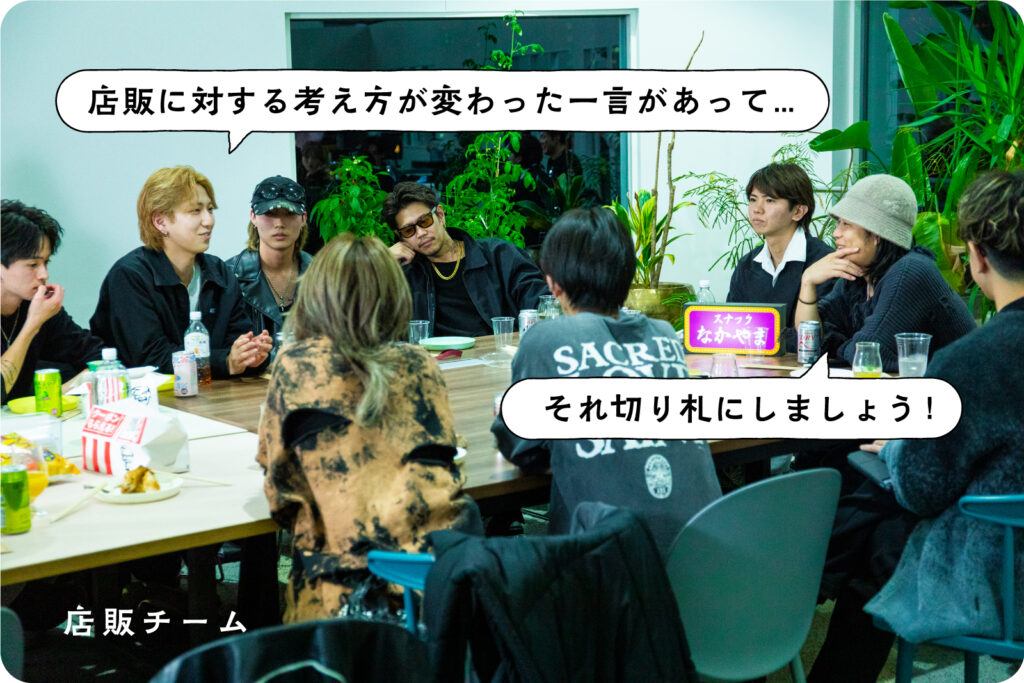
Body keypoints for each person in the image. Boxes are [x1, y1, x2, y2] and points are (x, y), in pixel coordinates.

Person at [807, 170, 1024, 682]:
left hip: (1000, 568)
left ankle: (797, 580)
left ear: (976, 256)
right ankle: (806, 576)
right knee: (873, 523)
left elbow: (922, 488)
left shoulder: (971, 361)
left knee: (880, 532)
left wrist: (897, 447)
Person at [257, 233, 481, 623]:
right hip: (430, 592)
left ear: (316, 296)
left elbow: (280, 494)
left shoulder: (294, 366)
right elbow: (444, 459)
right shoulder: (420, 364)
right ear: (394, 296)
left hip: (334, 598)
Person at [490, 207, 722, 557]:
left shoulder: (545, 339)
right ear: (627, 278)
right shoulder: (664, 335)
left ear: (553, 283)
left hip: (610, 568)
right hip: (703, 559)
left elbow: (521, 449)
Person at [90, 166, 271, 376]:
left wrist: (251, 354)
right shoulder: (130, 276)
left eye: (210, 209)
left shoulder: (219, 272)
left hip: (213, 392)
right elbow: (150, 358)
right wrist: (225, 362)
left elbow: (237, 340)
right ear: (160, 222)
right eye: (195, 211)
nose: (209, 221)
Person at [795, 174, 975, 372]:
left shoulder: (910, 271)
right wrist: (807, 282)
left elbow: (869, 355)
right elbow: (808, 342)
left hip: (961, 388)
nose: (836, 233)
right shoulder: (858, 276)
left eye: (846, 224)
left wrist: (835, 345)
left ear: (877, 234)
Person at [383, 182, 548, 337]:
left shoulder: (501, 255)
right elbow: (373, 322)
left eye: (425, 221)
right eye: (408, 231)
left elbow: (542, 305)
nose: (420, 233)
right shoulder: (405, 274)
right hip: (436, 356)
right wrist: (383, 260)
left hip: (497, 351)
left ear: (440, 215)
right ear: (400, 237)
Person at [1, 200, 103, 403]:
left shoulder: (37, 304)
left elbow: (97, 357)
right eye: (33, 264)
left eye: (46, 262)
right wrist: (33, 324)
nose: (44, 274)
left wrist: (65, 389)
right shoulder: (38, 312)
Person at [726, 163, 836, 350]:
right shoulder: (747, 265)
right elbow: (732, 329)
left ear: (798, 211)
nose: (757, 209)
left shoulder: (824, 264)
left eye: (769, 200)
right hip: (754, 365)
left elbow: (825, 339)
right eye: (753, 199)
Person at [226, 176, 313, 347]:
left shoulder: (321, 275)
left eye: (289, 213)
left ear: (303, 218)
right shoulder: (228, 276)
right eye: (270, 213)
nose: (279, 223)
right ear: (253, 216)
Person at [299, 142, 332, 255]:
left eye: (313, 157)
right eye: (306, 157)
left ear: (320, 159)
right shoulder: (304, 176)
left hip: (317, 226)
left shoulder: (324, 179)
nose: (309, 162)